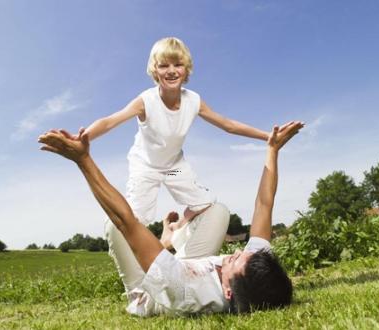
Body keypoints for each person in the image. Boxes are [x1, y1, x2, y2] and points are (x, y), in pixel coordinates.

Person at [38, 120, 303, 316]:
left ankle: (163, 246)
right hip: (188, 264)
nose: (233, 253)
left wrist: (83, 160)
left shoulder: (186, 292)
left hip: (149, 288)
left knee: (115, 229)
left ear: (228, 292)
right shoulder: (255, 269)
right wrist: (273, 149)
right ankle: (167, 245)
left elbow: (125, 221)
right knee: (218, 211)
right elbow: (264, 205)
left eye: (234, 260)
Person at [71, 37, 270, 225]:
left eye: (178, 64)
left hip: (174, 168)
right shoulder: (146, 101)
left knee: (205, 203)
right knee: (137, 219)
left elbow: (228, 125)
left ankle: (174, 230)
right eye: (164, 65)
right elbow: (109, 121)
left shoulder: (194, 101)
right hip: (146, 168)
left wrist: (267, 136)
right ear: (155, 71)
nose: (171, 71)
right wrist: (83, 138)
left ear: (186, 69)